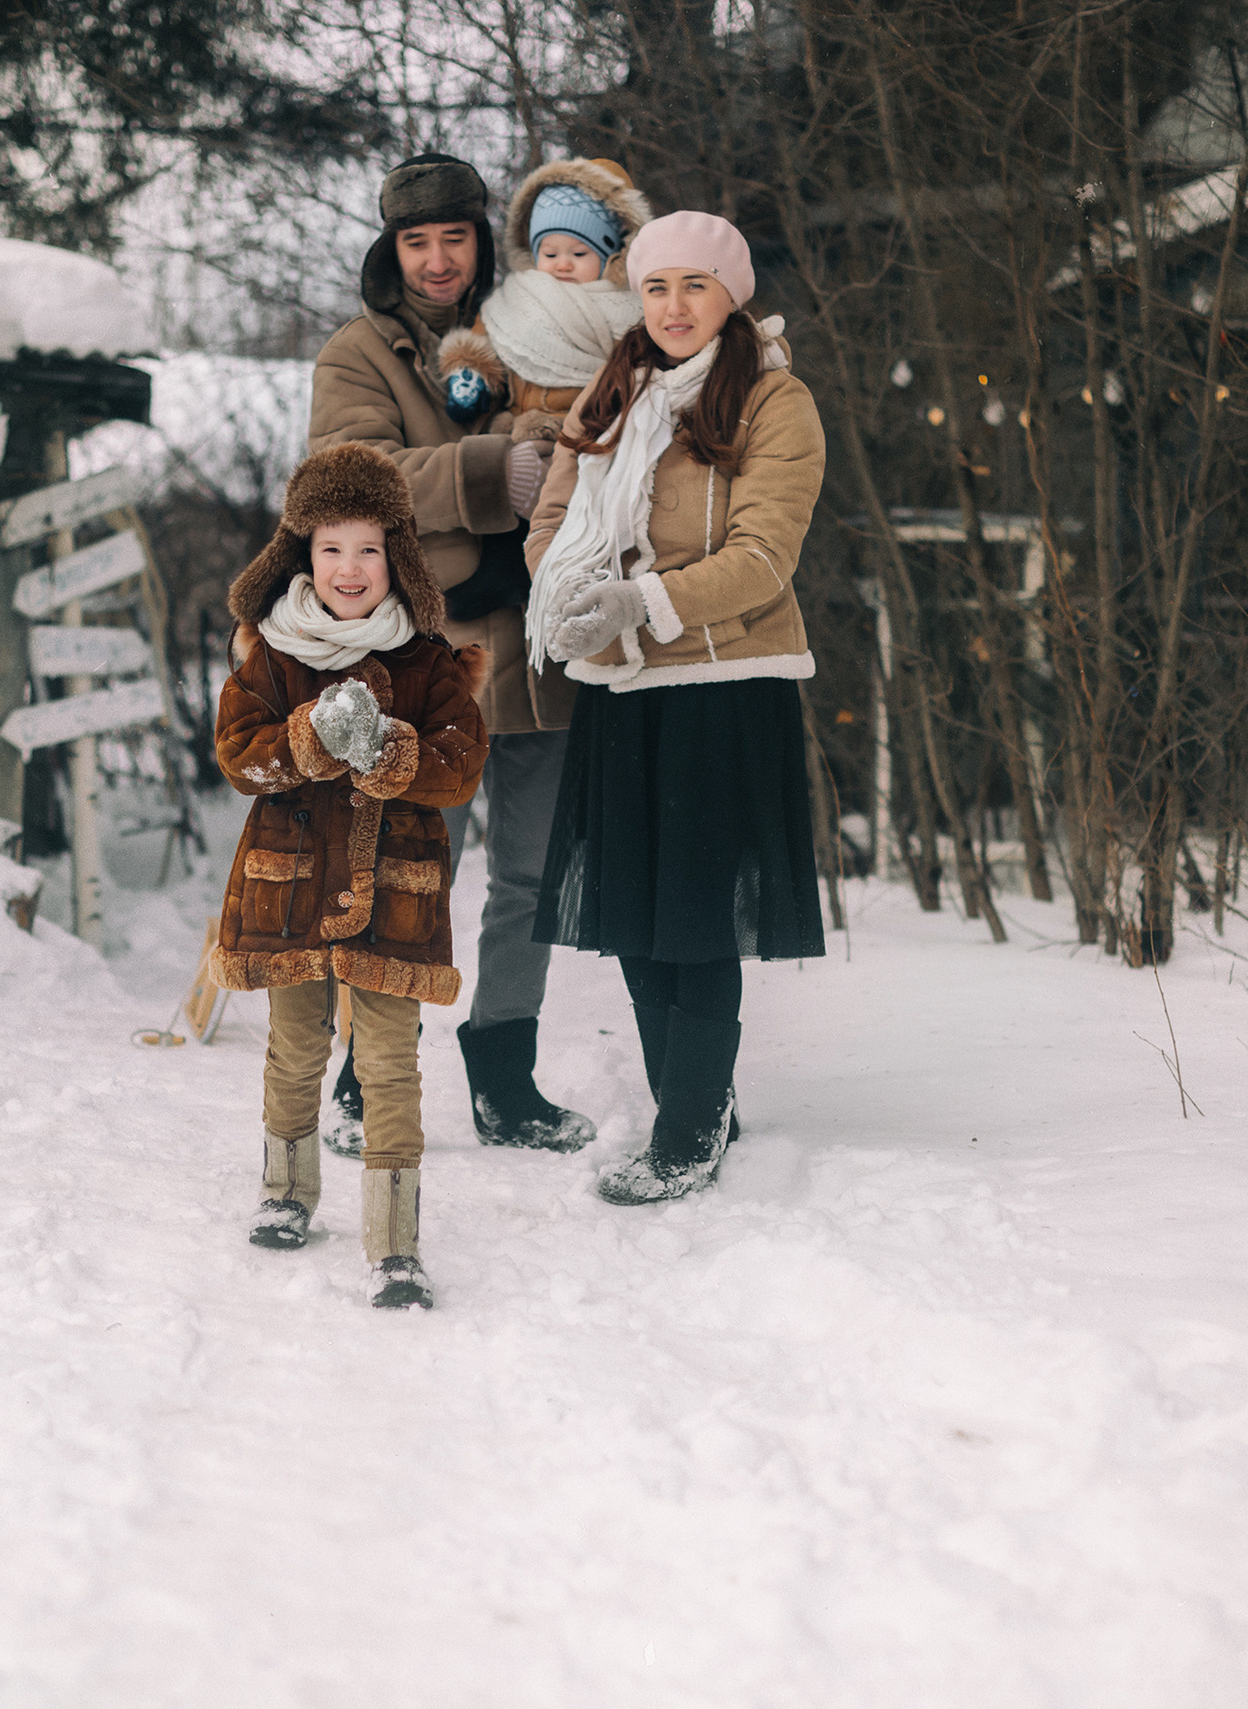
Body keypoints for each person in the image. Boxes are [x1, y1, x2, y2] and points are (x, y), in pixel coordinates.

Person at [522, 210, 828, 1205]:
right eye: (656, 287)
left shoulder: (774, 403)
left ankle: (688, 1131)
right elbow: (553, 521)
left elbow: (762, 556)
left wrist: (642, 602)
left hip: (720, 687)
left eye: (695, 285)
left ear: (729, 296)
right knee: (639, 921)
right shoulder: (609, 398)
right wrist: (566, 599)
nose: (674, 306)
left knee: (695, 922)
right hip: (620, 690)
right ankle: (697, 1102)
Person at [309, 152, 595, 1158]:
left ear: (483, 241)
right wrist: (489, 473)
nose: (436, 261)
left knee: (528, 872)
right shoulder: (361, 352)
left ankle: (505, 1079)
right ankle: (362, 1075)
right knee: (406, 865)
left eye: (454, 238)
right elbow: (349, 479)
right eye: (416, 242)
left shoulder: (549, 322)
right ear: (393, 250)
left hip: (546, 645)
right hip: (428, 656)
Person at [212, 443, 489, 1310]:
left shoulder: (426, 661)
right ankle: (287, 1190)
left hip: (391, 899)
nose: (349, 567)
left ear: (396, 555)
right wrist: (306, 741)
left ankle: (395, 1243)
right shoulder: (270, 653)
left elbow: (460, 763)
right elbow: (237, 753)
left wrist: (389, 752)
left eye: (368, 548)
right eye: (331, 547)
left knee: (389, 1064)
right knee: (295, 1049)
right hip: (289, 889)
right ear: (301, 554)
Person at [438, 158, 654, 442]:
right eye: (550, 254)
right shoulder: (516, 299)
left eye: (579, 254)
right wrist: (472, 370)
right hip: (514, 423)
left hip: (585, 425)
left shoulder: (626, 309)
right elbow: (485, 338)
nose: (562, 265)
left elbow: (637, 372)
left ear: (611, 259)